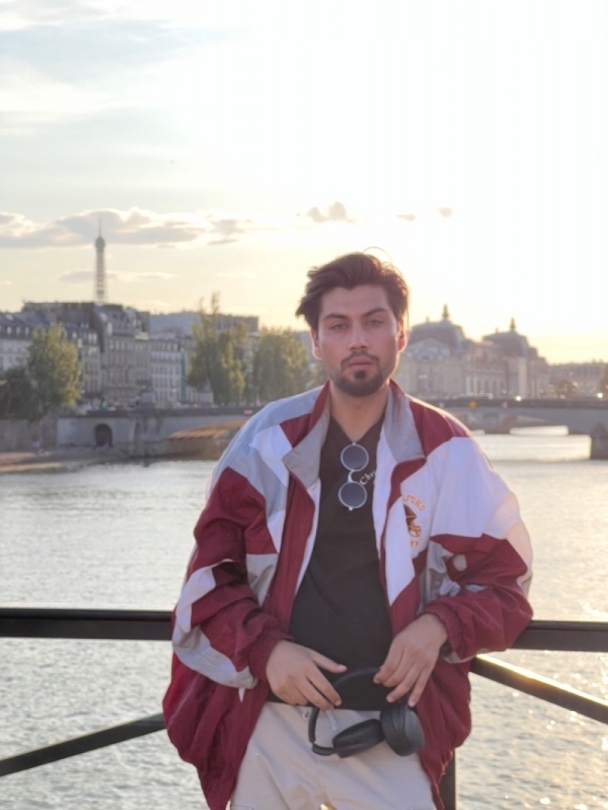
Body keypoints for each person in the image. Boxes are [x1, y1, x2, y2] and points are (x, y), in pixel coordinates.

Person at [163, 252, 532, 810]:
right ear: (316, 342)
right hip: (268, 727)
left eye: (373, 322)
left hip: (389, 732)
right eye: (338, 326)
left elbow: (507, 584)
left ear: (400, 335)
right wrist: (266, 653)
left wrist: (437, 625)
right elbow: (209, 581)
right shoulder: (267, 440)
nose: (357, 339)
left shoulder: (447, 449)